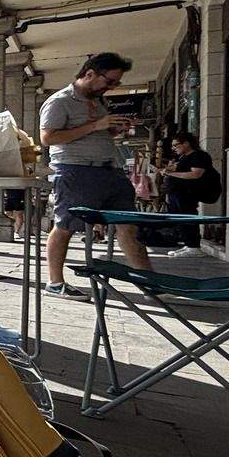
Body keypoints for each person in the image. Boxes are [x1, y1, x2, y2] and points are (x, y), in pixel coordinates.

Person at [41, 51, 150, 300]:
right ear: (89, 74)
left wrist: (112, 130)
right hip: (75, 169)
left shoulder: (98, 101)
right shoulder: (60, 101)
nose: (110, 88)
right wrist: (95, 126)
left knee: (128, 224)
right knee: (65, 225)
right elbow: (47, 138)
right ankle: (55, 282)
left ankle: (147, 279)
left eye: (116, 84)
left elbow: (95, 133)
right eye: (109, 81)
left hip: (109, 169)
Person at [160, 131, 215, 258]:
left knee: (188, 217)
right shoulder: (182, 158)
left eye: (176, 145)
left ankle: (194, 246)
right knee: (180, 219)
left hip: (188, 193)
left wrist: (171, 174)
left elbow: (196, 174)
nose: (174, 148)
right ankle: (188, 244)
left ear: (186, 143)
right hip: (177, 194)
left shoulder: (199, 156)